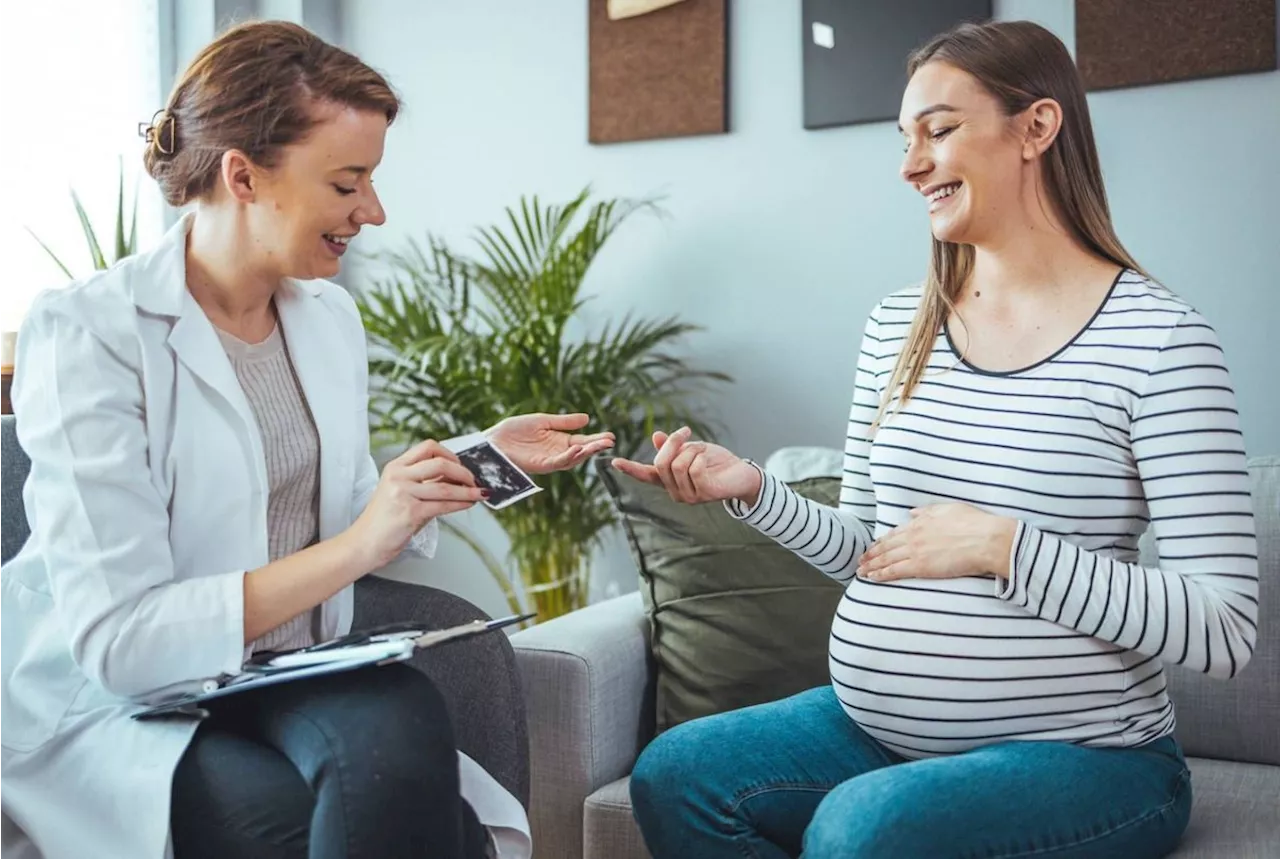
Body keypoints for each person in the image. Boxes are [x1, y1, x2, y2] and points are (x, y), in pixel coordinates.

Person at [612, 19, 1258, 859]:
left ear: (1037, 128)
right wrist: (754, 492)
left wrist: (1004, 547)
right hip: (876, 732)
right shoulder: (898, 328)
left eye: (939, 130)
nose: (910, 163)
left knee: (862, 827)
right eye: (905, 137)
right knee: (679, 771)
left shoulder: (1161, 341)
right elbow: (873, 552)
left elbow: (1225, 625)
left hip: (1095, 760)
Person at [0, 20, 614, 859]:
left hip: (289, 665)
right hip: (127, 698)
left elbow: (331, 510)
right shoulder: (89, 333)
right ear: (244, 176)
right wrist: (366, 538)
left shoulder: (326, 317)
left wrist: (483, 458)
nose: (374, 210)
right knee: (328, 828)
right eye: (348, 182)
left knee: (405, 735)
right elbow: (124, 642)